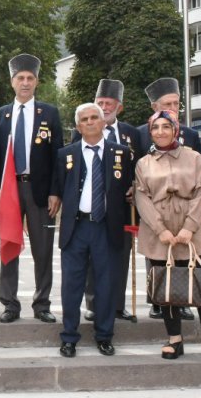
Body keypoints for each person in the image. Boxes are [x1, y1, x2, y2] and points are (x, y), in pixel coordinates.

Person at [134, 110, 201, 362]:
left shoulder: (195, 158)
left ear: (176, 129)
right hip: (159, 233)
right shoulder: (144, 163)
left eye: (166, 127)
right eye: (156, 128)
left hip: (190, 232)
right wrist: (160, 229)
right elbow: (141, 197)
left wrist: (190, 226)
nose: (161, 132)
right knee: (166, 287)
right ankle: (174, 339)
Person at [52, 103, 133, 358]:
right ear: (78, 126)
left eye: (94, 117)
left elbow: (130, 186)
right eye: (84, 119)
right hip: (76, 227)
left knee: (106, 284)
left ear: (103, 122)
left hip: (106, 227)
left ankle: (104, 335)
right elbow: (58, 186)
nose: (89, 122)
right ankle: (69, 337)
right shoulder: (66, 154)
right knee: (72, 285)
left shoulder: (121, 153)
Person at [0, 54, 63, 324]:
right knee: (9, 244)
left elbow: (58, 155)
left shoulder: (50, 113)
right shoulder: (0, 116)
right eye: (20, 78)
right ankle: (9, 303)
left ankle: (42, 303)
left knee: (43, 250)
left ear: (37, 82)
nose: (25, 83)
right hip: (9, 190)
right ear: (12, 82)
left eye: (30, 78)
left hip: (41, 191)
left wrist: (56, 192)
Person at [72, 79, 142, 323]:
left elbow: (140, 167)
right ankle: (93, 303)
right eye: (100, 103)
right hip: (92, 205)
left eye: (108, 103)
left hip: (123, 208)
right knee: (93, 257)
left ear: (118, 107)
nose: (104, 107)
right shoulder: (79, 132)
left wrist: (136, 187)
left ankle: (118, 304)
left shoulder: (132, 134)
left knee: (119, 256)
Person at [136, 77, 199, 320]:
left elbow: (200, 170)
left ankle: (181, 300)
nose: (173, 108)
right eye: (168, 104)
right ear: (155, 107)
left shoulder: (191, 134)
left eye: (176, 103)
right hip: (155, 204)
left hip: (183, 207)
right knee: (156, 254)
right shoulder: (143, 133)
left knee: (182, 253)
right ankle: (156, 299)